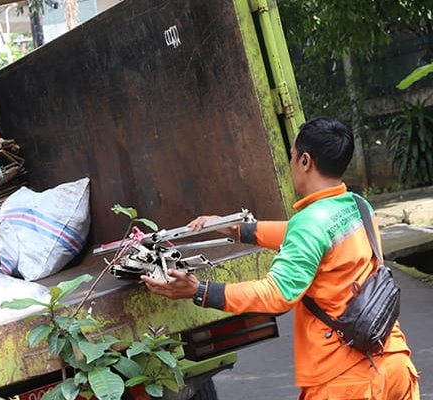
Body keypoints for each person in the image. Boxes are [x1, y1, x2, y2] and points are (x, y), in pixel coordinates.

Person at [141, 117, 420, 399]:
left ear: (305, 161)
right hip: (393, 362)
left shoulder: (310, 223)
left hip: (346, 379)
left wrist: (199, 290)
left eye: (292, 156)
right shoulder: (359, 206)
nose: (291, 164)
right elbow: (306, 237)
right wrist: (237, 229)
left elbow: (278, 295)